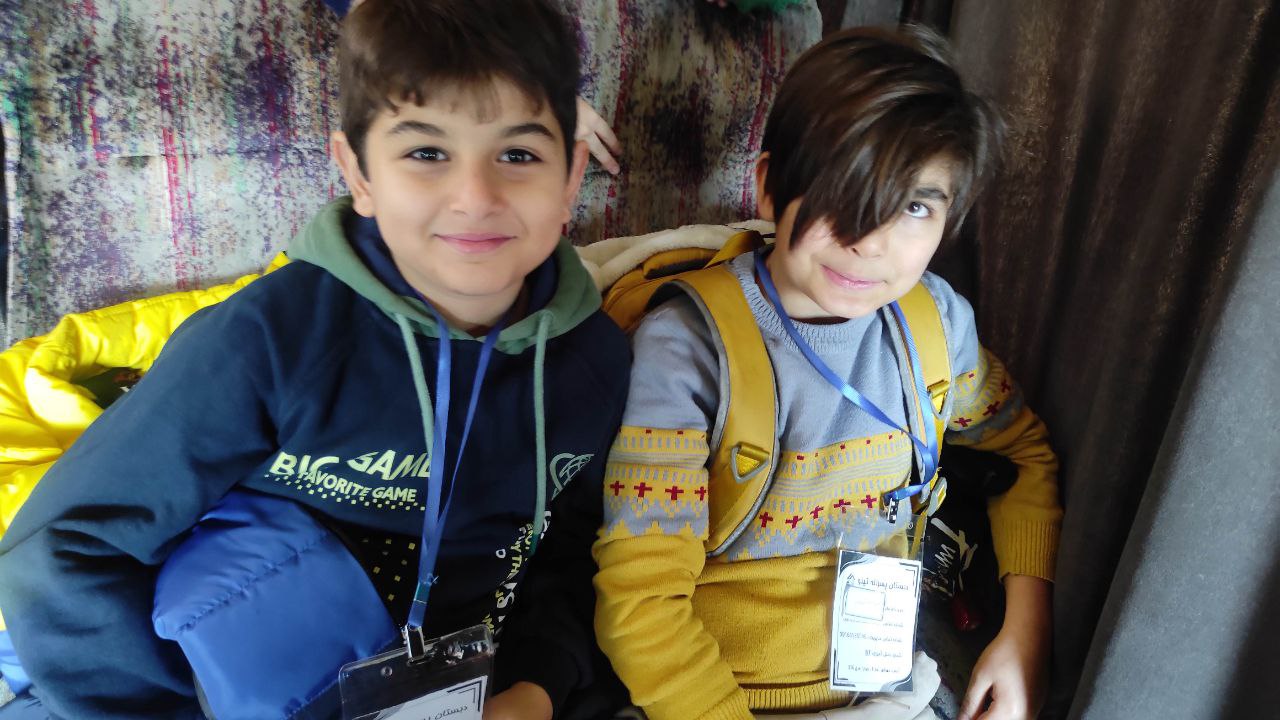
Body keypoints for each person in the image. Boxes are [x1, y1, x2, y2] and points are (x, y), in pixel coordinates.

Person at [0, 1, 630, 718]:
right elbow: (63, 548)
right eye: (427, 153)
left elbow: (575, 552)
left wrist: (537, 691)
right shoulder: (269, 339)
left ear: (571, 176)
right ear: (359, 173)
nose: (475, 198)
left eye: (518, 155)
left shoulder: (596, 363)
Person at [592, 26, 1062, 720]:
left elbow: (1021, 456)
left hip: (890, 689)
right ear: (769, 187)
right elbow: (641, 600)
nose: (869, 241)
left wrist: (1026, 634)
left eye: (915, 206)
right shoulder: (687, 350)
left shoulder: (934, 326)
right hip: (702, 699)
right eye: (843, 188)